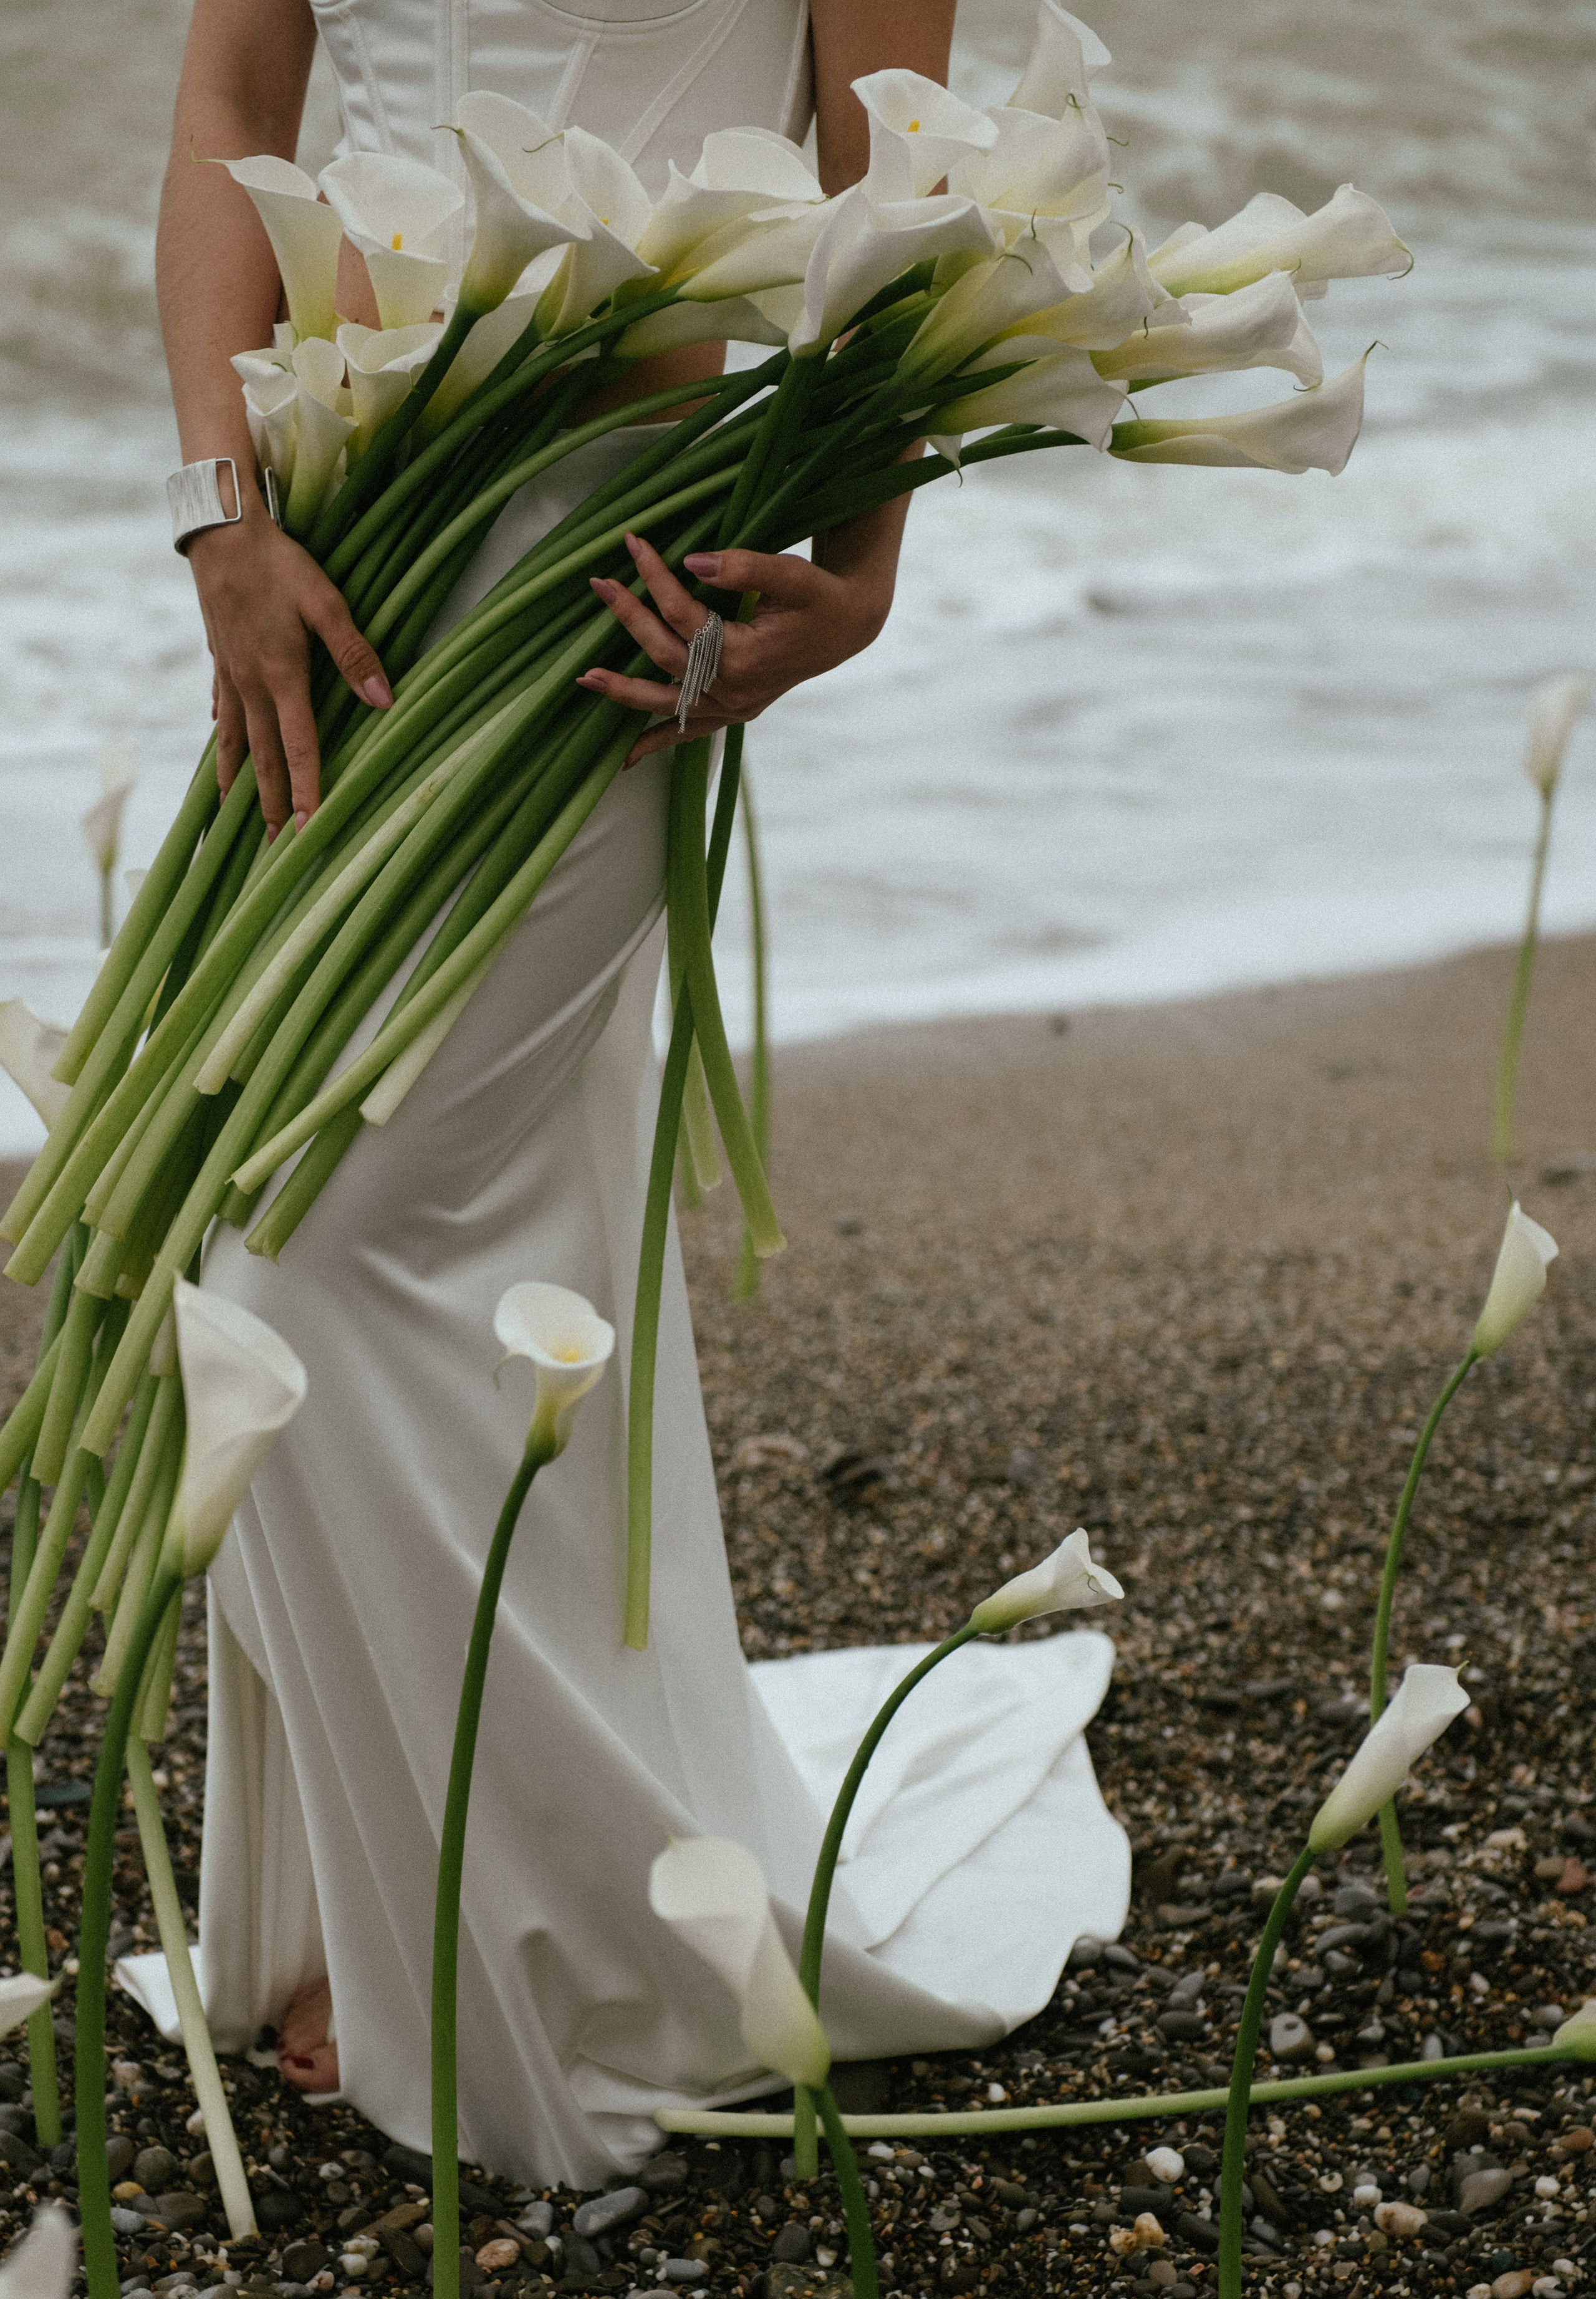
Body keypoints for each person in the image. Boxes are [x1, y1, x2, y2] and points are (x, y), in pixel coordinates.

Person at [128, 0, 1131, 2187]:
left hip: (626, 567)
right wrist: (220, 515)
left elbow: (897, 153)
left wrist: (859, 567)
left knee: (319, 1227)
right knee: (427, 1204)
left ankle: (508, 1930)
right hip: (334, 527)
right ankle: (389, 1909)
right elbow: (236, 93)